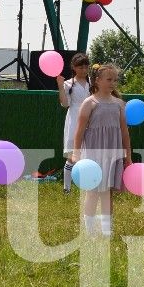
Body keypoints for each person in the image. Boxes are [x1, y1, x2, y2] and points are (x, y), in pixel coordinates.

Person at [70, 63, 131, 237]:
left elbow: (124, 132)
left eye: (115, 80)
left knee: (107, 191)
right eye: (109, 79)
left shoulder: (119, 104)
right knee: (93, 191)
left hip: (113, 153)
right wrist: (76, 153)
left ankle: (106, 229)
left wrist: (128, 156)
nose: (112, 83)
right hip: (94, 154)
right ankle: (89, 230)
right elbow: (79, 131)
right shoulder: (90, 103)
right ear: (97, 80)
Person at [56, 52, 91, 193]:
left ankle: (89, 186)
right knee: (72, 156)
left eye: (85, 67)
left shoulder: (93, 83)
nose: (83, 70)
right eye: (80, 67)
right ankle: (67, 188)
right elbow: (65, 104)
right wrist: (60, 85)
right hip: (74, 121)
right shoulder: (68, 84)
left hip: (90, 120)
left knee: (89, 155)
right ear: (74, 68)